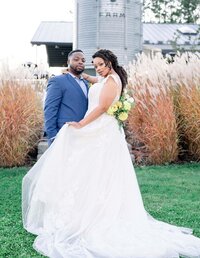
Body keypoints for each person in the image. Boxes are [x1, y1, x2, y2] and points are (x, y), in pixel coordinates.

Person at [22, 49, 200, 258]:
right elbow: (95, 82)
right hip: (101, 131)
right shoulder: (105, 78)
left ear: (109, 62)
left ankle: (97, 215)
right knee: (93, 171)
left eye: (100, 64)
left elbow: (103, 107)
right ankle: (83, 209)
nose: (97, 68)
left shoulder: (112, 81)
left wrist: (81, 124)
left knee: (100, 170)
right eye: (94, 64)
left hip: (100, 130)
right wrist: (84, 75)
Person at [44, 49, 89, 145]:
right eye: (76, 59)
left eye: (83, 60)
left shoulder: (86, 83)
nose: (80, 62)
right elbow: (50, 108)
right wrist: (52, 135)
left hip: (85, 133)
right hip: (65, 132)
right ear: (68, 62)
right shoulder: (57, 81)